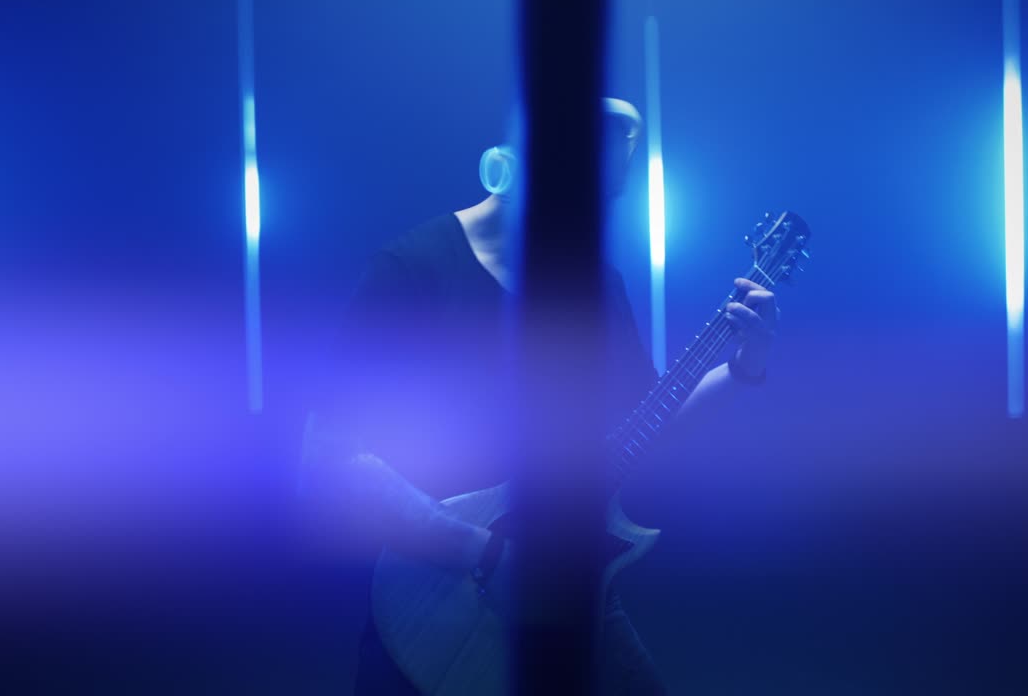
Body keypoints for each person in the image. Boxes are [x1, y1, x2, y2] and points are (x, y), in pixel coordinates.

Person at [300, 98, 779, 695]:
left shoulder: (596, 285)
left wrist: (744, 369)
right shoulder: (413, 269)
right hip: (432, 604)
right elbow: (329, 452)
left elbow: (647, 420)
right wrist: (485, 554)